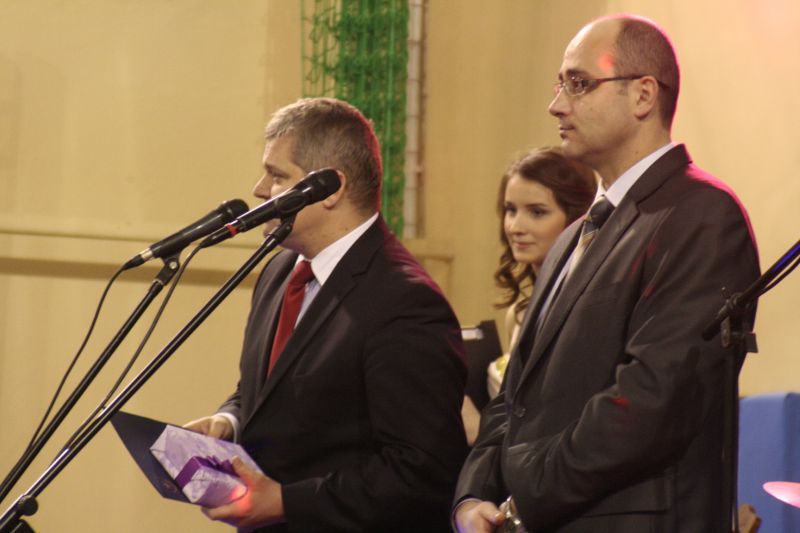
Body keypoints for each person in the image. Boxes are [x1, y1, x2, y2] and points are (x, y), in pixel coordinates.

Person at [454, 13, 759, 533]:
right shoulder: (573, 236)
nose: (556, 104)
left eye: (579, 83)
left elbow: (653, 398)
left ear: (643, 95)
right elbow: (516, 394)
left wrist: (523, 495)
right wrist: (475, 494)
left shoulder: (701, 214)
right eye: (559, 85)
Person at [185, 97, 468, 532]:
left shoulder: (406, 302)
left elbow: (421, 471)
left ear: (330, 188)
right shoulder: (281, 270)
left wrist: (286, 501)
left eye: (278, 175)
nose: (260, 189)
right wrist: (229, 422)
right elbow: (266, 390)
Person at [461, 148, 596, 443]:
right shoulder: (519, 314)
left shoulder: (583, 310)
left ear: (575, 218)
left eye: (537, 212)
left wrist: (476, 427)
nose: (515, 227)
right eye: (510, 210)